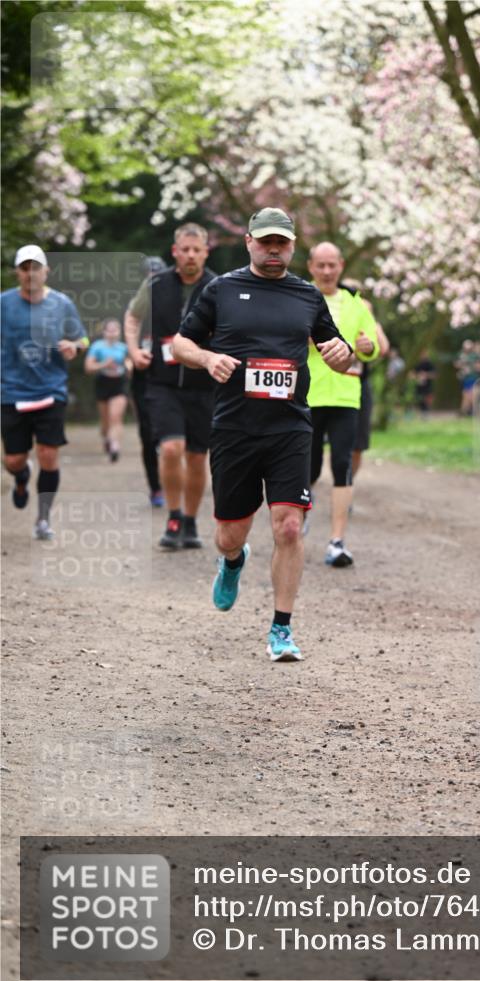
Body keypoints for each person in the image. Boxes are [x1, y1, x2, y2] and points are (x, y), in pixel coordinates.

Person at [171, 207, 353, 661]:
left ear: (292, 247)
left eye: (283, 243)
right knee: (230, 534)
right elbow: (181, 342)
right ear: (249, 242)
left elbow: (338, 353)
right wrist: (207, 359)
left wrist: (342, 353)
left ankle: (281, 629)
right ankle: (233, 561)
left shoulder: (308, 296)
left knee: (289, 526)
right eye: (266, 241)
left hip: (290, 427)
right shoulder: (222, 289)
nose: (274, 250)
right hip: (234, 428)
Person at [124, 225, 217, 548]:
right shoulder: (156, 283)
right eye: (185, 249)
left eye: (197, 249)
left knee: (195, 457)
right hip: (162, 384)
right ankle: (173, 515)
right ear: (175, 251)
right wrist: (134, 350)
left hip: (203, 386)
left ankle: (190, 521)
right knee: (170, 448)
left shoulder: (218, 287)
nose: (191, 255)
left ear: (206, 251)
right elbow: (133, 318)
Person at [1, 244, 87, 539]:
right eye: (24, 268)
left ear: (45, 271)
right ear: (17, 273)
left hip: (51, 390)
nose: (30, 273)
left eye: (35, 267)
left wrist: (73, 346)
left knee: (48, 454)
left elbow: (83, 339)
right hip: (11, 391)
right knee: (12, 459)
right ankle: (21, 475)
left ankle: (43, 518)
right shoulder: (4, 303)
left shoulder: (61, 303)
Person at [306, 242, 379, 566]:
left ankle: (337, 541)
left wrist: (367, 346)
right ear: (310, 266)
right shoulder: (300, 296)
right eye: (320, 265)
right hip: (307, 394)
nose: (326, 271)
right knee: (306, 468)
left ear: (341, 265)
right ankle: (298, 514)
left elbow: (372, 346)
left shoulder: (355, 303)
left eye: (331, 265)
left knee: (341, 465)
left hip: (346, 395)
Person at [341, 278, 390, 482]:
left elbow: (384, 348)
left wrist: (369, 317)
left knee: (357, 444)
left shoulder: (366, 315)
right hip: (329, 387)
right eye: (346, 289)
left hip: (360, 385)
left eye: (356, 290)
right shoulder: (329, 314)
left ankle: (346, 483)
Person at [129, 256, 166, 506]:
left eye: (157, 273)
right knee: (147, 435)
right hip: (143, 375)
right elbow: (128, 331)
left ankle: (174, 477)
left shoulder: (176, 302)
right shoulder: (138, 305)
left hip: (170, 375)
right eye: (149, 274)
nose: (153, 278)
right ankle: (155, 487)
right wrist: (132, 354)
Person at [84, 317, 129, 462]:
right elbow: (89, 367)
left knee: (116, 416)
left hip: (119, 383)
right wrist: (104, 364)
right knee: (105, 421)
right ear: (104, 332)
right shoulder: (97, 346)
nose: (112, 333)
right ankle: (106, 438)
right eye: (109, 330)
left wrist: (128, 367)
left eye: (115, 330)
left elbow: (129, 365)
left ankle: (115, 446)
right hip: (103, 383)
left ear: (119, 332)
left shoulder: (123, 348)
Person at [412, 349, 436, 413]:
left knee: (427, 397)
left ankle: (427, 410)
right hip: (419, 385)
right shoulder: (418, 364)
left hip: (427, 385)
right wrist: (417, 376)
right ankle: (421, 411)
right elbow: (412, 374)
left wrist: (425, 375)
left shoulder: (430, 364)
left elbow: (434, 374)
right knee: (419, 398)